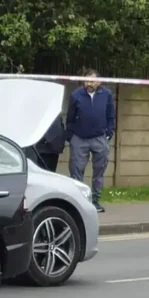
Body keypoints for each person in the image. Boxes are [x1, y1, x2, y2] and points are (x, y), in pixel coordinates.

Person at [66, 69, 115, 213]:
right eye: (86, 80)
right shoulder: (75, 95)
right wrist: (70, 137)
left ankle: (95, 201)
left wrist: (108, 133)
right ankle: (78, 202)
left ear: (99, 82)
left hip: (100, 138)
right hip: (79, 139)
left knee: (99, 172)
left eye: (92, 81)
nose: (89, 83)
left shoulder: (106, 95)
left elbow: (110, 116)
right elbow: (70, 117)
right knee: (76, 171)